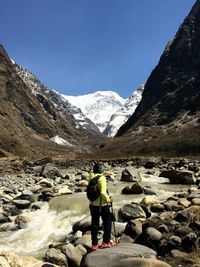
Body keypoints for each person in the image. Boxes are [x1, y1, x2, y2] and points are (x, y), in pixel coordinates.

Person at [88, 162, 112, 250]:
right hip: (103, 205)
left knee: (94, 224)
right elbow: (102, 192)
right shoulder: (102, 178)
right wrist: (109, 200)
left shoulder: (91, 177)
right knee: (107, 223)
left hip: (93, 205)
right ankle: (106, 242)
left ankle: (94, 244)